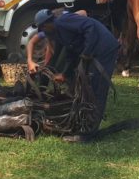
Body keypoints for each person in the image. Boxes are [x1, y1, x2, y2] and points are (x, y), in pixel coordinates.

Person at [34, 8, 119, 142]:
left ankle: (88, 134)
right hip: (94, 51)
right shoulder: (59, 33)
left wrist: (86, 53)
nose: (44, 32)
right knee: (85, 88)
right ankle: (83, 124)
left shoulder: (63, 21)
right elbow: (70, 53)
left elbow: (90, 27)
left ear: (46, 25)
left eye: (43, 29)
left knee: (97, 89)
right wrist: (64, 73)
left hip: (104, 49)